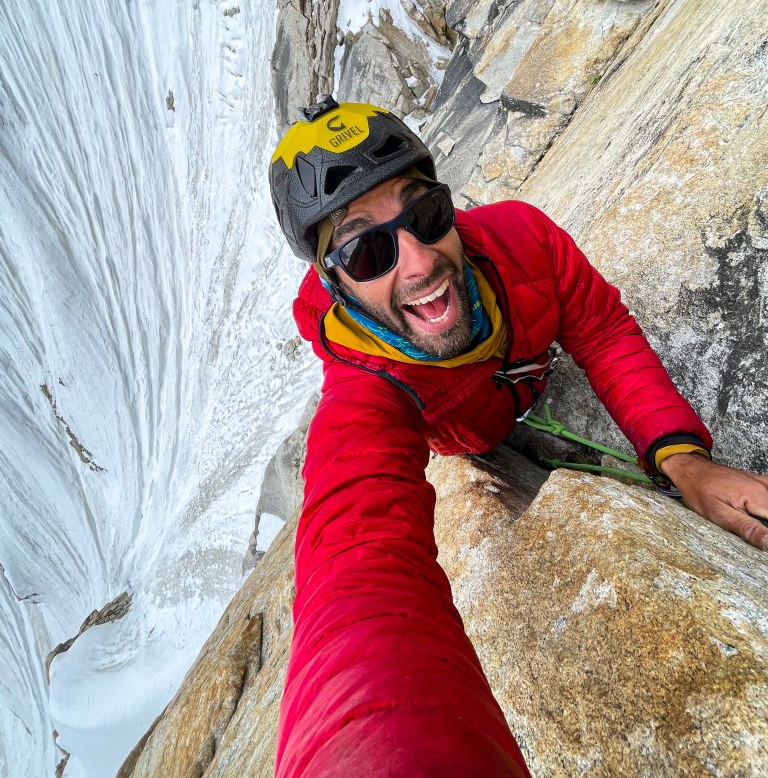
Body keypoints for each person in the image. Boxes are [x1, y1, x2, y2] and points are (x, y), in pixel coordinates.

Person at [269, 98, 768, 778]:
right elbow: (357, 562)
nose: (417, 262)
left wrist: (684, 460)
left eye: (426, 216)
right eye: (368, 251)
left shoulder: (519, 240)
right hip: (475, 437)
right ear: (331, 280)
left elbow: (598, 329)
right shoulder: (365, 389)